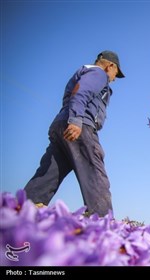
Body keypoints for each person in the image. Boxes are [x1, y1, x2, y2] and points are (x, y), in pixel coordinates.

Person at [24, 50, 125, 217]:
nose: (114, 78)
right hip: (80, 126)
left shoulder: (85, 71)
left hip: (62, 124)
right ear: (110, 66)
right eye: (116, 73)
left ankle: (24, 207)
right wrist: (76, 120)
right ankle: (102, 221)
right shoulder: (98, 73)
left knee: (50, 172)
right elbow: (81, 92)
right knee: (94, 172)